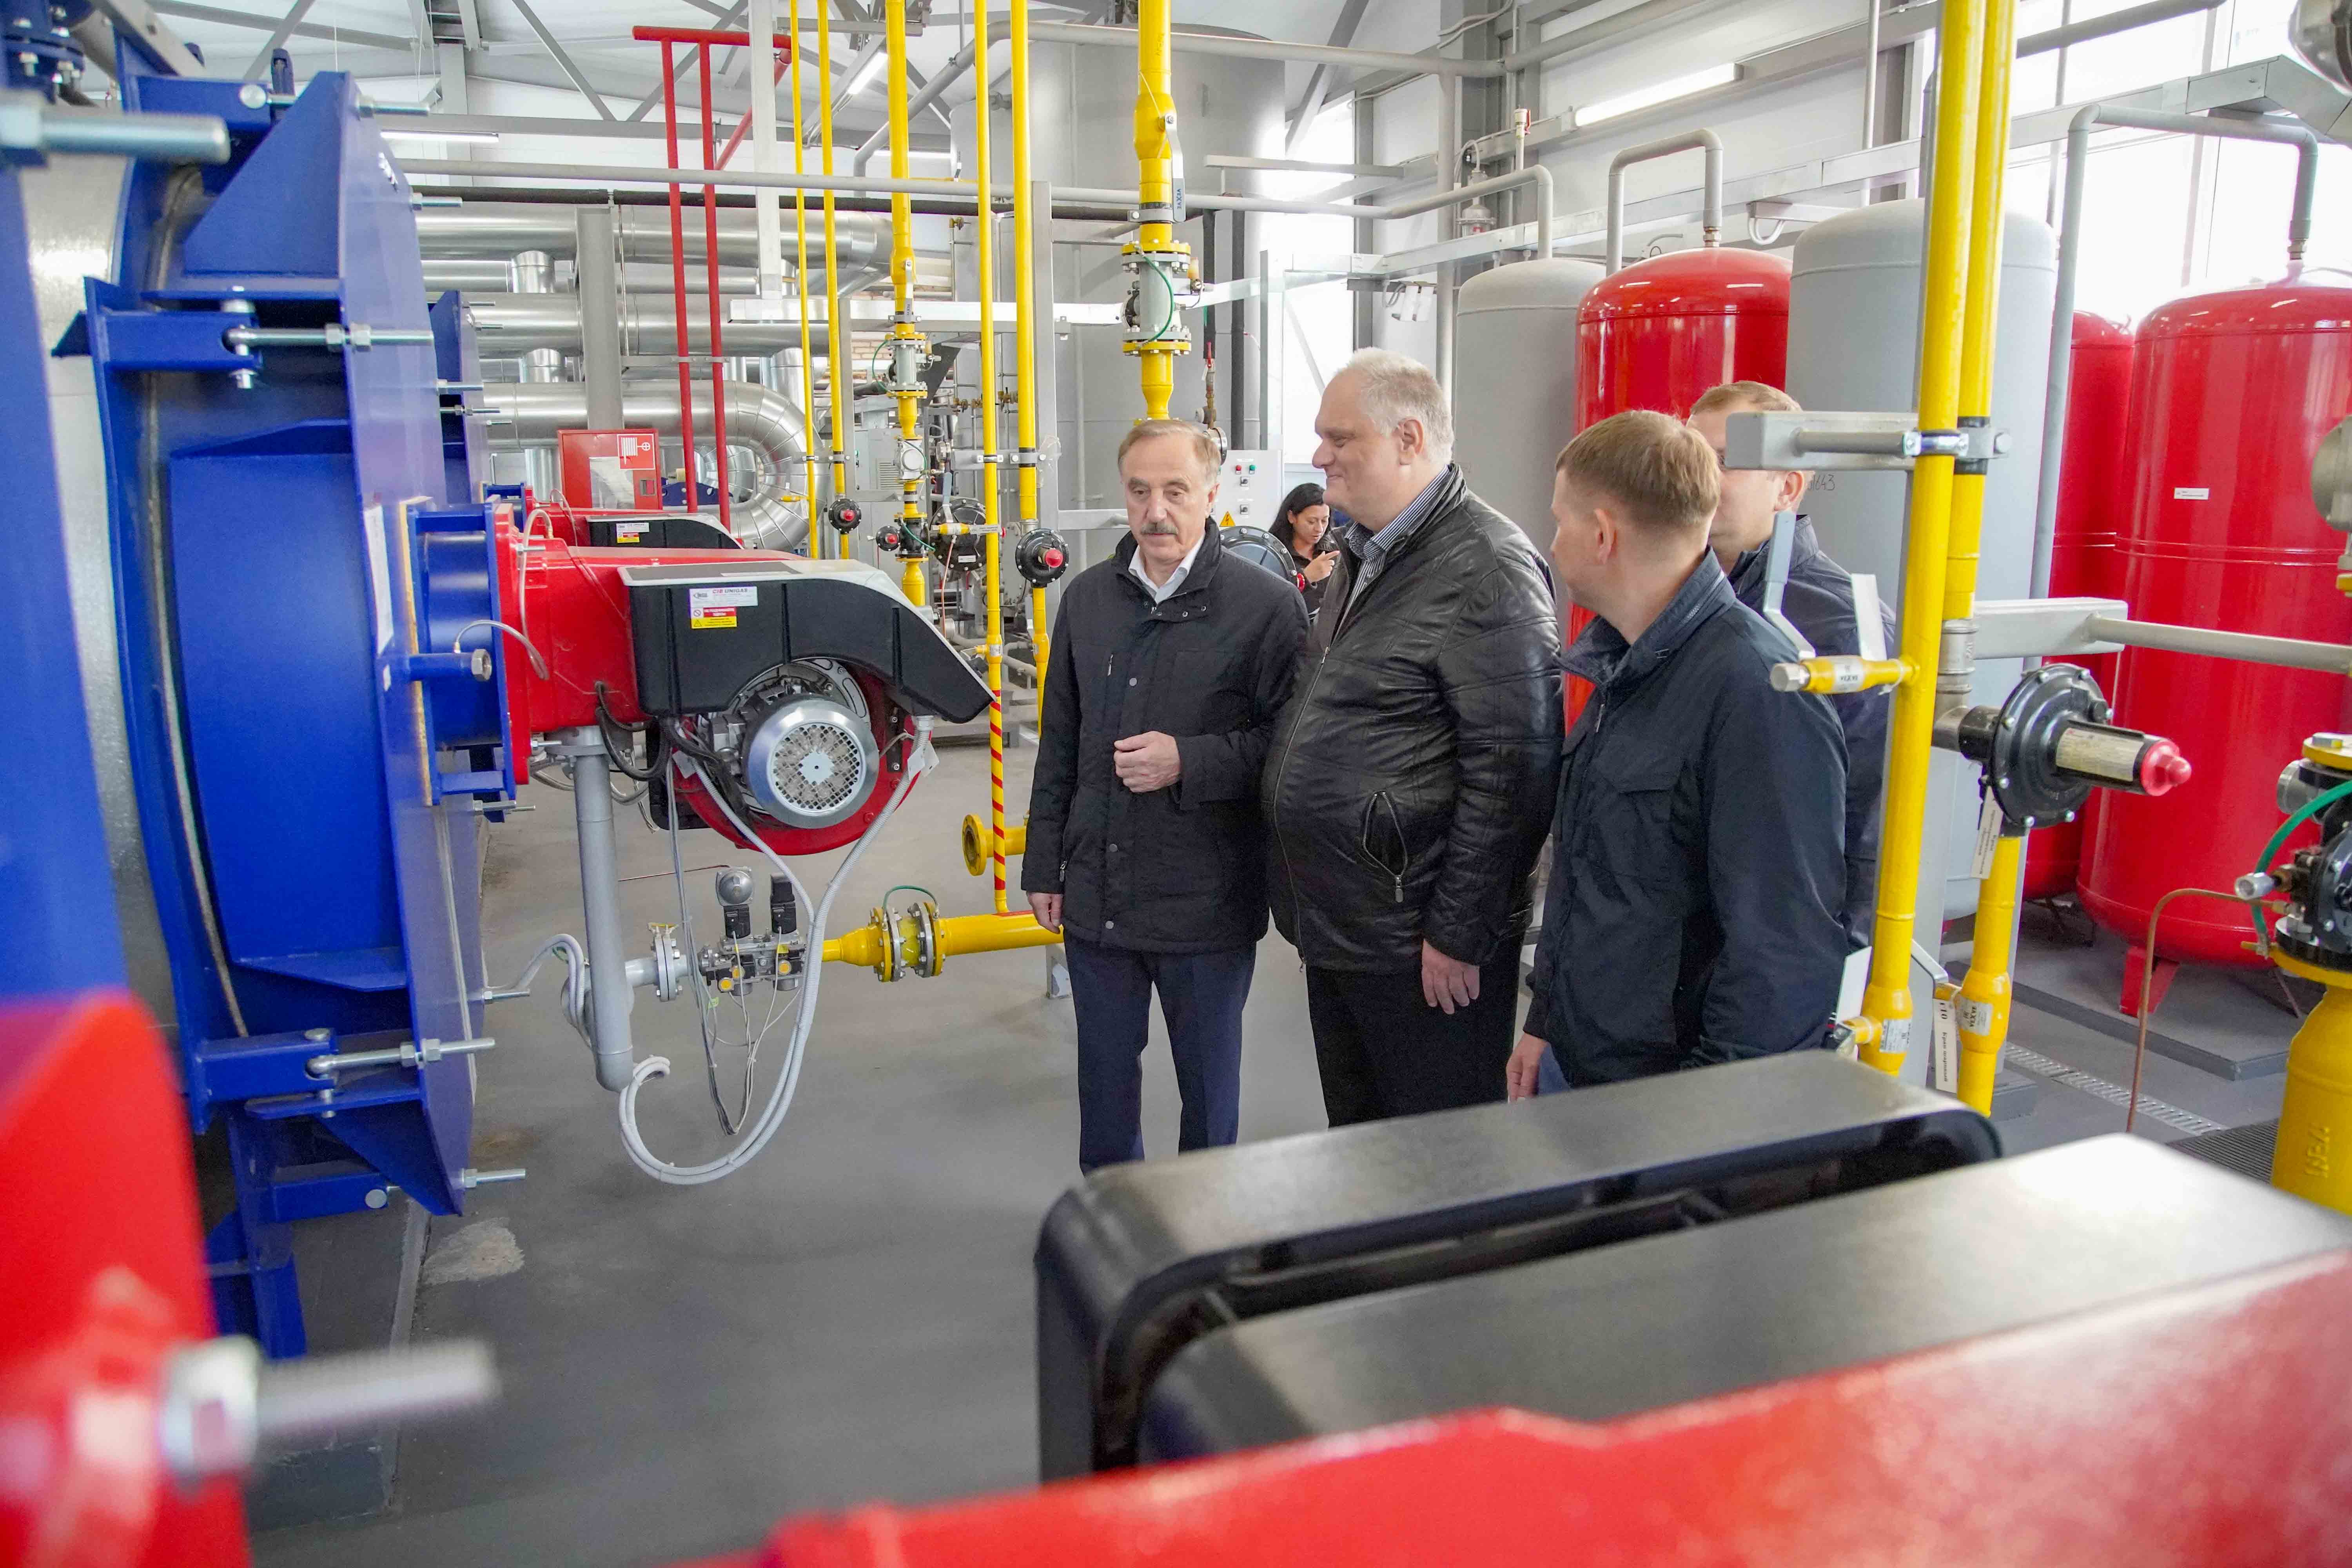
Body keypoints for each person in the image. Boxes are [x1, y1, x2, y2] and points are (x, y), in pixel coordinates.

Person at [1506, 410, 1849, 1100]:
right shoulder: (1622, 665)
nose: (1553, 542)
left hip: (1665, 1099)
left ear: (1602, 535)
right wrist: (1547, 1018)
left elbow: (1781, 954)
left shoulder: (1756, 690)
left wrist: (1703, 1124)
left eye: (1560, 522)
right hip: (1585, 1058)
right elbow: (1590, 873)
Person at [1261, 349, 1564, 1126]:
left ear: (1407, 439)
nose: (1320, 457)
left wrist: (1460, 932)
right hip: (1347, 921)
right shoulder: (1366, 554)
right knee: (1363, 1139)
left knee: (1438, 1154)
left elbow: (1514, 772)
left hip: (1421, 943)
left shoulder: (1487, 568)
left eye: (1339, 438)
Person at [1024, 418, 1309, 1171]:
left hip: (1206, 901)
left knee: (1208, 1091)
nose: (1156, 512)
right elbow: (1060, 742)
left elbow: (1290, 748)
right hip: (1099, 895)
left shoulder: (1266, 608)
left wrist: (1191, 760)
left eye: (1176, 491)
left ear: (1212, 494)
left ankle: (1206, 1219)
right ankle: (1112, 1211)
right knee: (1105, 1085)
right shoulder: (1087, 600)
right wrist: (1045, 866)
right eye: (1140, 491)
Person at [1687, 381, 1895, 945]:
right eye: (1691, 457)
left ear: (1788, 487)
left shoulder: (1845, 627)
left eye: (1726, 461)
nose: (1699, 478)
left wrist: (1840, 963)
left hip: (1773, 946)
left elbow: (1869, 825)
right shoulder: (1676, 597)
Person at [1272, 482, 1338, 617]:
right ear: (1292, 517)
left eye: (1324, 521)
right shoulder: (1273, 556)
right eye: (1311, 522)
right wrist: (1305, 578)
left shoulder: (1335, 553)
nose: (1319, 529)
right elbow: (1268, 606)